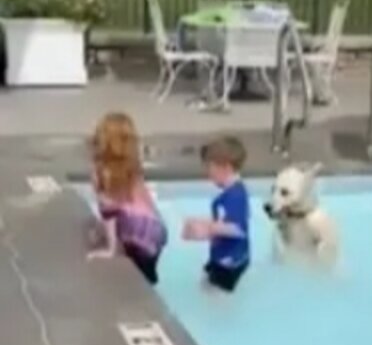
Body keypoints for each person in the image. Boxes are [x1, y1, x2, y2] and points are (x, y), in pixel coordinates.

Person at [87, 113, 167, 285]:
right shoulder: (133, 166)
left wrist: (110, 249)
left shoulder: (102, 172)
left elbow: (108, 211)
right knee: (148, 271)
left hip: (137, 233)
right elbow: (140, 203)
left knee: (137, 276)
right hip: (156, 230)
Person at [182, 136, 250, 293]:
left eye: (210, 167)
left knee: (217, 301)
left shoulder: (235, 195)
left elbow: (238, 229)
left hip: (229, 262)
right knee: (206, 288)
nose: (208, 173)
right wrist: (200, 223)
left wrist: (208, 229)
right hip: (223, 258)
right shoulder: (230, 194)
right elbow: (225, 221)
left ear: (225, 167)